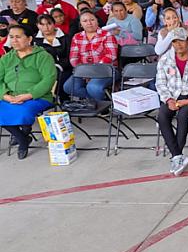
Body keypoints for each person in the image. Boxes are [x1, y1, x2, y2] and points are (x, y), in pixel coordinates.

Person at [156, 28, 188, 176]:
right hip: (173, 96)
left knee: (183, 114)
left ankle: (176, 155)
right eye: (174, 41)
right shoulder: (165, 59)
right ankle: (177, 155)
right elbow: (160, 83)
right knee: (162, 115)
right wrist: (168, 99)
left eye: (181, 40)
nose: (178, 45)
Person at [0, 26, 57, 159]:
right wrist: (5, 95)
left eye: (18, 37)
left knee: (22, 111)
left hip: (37, 97)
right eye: (12, 37)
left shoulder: (43, 56)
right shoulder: (6, 58)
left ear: (29, 39)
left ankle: (23, 137)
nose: (14, 41)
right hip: (9, 97)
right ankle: (23, 138)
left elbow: (48, 80)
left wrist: (28, 95)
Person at [64, 12, 118, 101]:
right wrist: (84, 72)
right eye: (85, 21)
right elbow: (74, 59)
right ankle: (98, 102)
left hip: (106, 70)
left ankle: (102, 106)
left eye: (92, 20)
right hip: (83, 71)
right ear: (81, 24)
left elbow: (111, 55)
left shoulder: (107, 35)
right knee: (69, 87)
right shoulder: (76, 37)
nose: (89, 23)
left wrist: (92, 72)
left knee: (93, 87)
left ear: (97, 21)